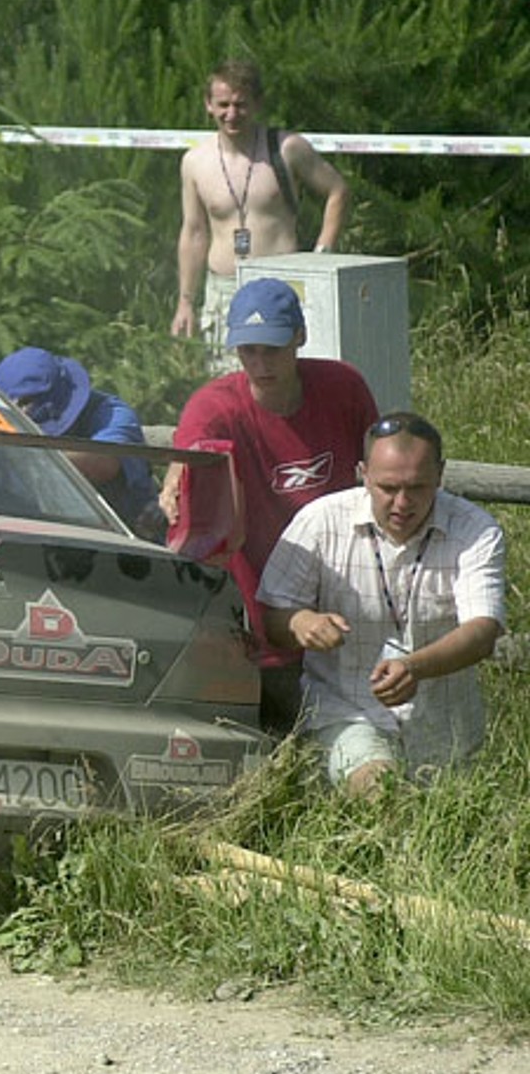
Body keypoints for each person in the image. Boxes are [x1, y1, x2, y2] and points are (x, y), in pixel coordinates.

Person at [162, 278, 379, 734]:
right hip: (253, 612)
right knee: (271, 748)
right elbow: (186, 475)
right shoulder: (215, 408)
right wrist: (175, 482)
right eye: (248, 351)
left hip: (342, 601)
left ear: (299, 337)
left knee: (358, 732)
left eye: (273, 349)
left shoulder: (344, 387)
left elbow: (383, 473)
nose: (260, 364)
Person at [259, 414, 504, 795]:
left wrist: (414, 667)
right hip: (345, 708)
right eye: (388, 488)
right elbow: (272, 616)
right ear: (362, 474)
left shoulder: (475, 530)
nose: (402, 503)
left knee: (444, 834)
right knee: (379, 790)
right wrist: (302, 622)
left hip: (445, 725)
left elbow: (482, 631)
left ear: (440, 476)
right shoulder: (320, 522)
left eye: (417, 488)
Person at [175, 59, 351, 352]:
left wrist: (323, 253)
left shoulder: (287, 148)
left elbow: (338, 191)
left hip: (280, 286)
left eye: (240, 105)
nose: (231, 114)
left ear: (257, 104)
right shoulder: (195, 162)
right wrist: (185, 302)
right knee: (227, 386)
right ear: (208, 105)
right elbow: (193, 233)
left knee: (282, 383)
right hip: (222, 290)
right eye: (223, 105)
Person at [0, 346, 165, 541]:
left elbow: (103, 463)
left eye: (26, 403)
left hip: (127, 545)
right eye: (15, 406)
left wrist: (25, 457)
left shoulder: (111, 414)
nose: (22, 411)